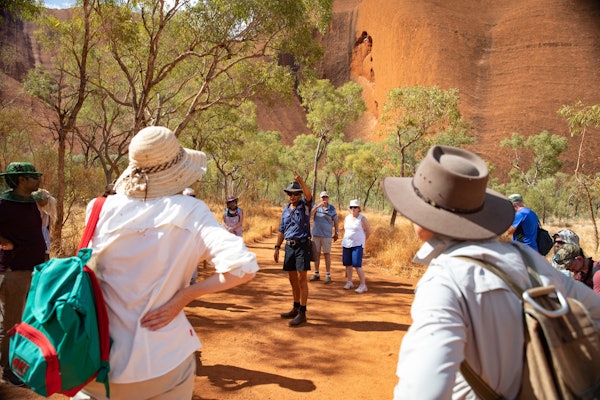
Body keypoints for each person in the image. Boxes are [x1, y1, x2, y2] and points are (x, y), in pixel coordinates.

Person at [382, 145, 600, 399]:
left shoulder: (443, 282)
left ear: (425, 216)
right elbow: (594, 312)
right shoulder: (527, 258)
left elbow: (423, 392)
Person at [74, 126, 258, 400]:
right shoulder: (190, 211)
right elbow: (243, 267)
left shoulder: (97, 208)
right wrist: (185, 295)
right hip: (160, 361)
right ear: (176, 169)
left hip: (91, 360)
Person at [0, 162, 46, 386]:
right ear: (21, 180)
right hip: (14, 271)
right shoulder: (3, 204)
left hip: (32, 269)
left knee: (25, 320)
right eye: (33, 177)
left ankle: (18, 363)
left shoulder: (29, 203)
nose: (38, 180)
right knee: (12, 322)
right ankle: (9, 370)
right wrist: (4, 241)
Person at [273, 173, 312, 327]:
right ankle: (295, 307)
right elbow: (282, 229)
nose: (292, 196)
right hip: (289, 246)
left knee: (302, 279)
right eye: (290, 194)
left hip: (302, 245)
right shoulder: (285, 210)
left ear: (299, 194)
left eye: (295, 193)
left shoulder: (305, 205)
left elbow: (308, 195)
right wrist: (277, 247)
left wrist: (300, 180)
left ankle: (303, 312)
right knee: (292, 279)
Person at [341, 199, 371, 293]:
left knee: (357, 264)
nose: (353, 209)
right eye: (351, 207)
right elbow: (345, 229)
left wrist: (363, 241)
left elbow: (368, 231)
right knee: (348, 264)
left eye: (355, 207)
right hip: (347, 243)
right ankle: (349, 282)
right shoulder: (347, 218)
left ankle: (363, 285)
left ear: (359, 208)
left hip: (357, 244)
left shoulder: (362, 219)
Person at [309, 191, 339, 284]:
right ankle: (316, 273)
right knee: (316, 254)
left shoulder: (332, 209)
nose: (324, 199)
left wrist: (336, 232)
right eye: (322, 197)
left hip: (326, 235)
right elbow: (310, 215)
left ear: (328, 198)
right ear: (320, 198)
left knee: (326, 254)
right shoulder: (316, 206)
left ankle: (328, 275)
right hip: (316, 234)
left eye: (325, 197)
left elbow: (336, 221)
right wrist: (318, 206)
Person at [33, 188, 57, 260]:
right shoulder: (47, 216)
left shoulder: (33, 213)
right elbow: (47, 234)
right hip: (44, 247)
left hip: (34, 246)